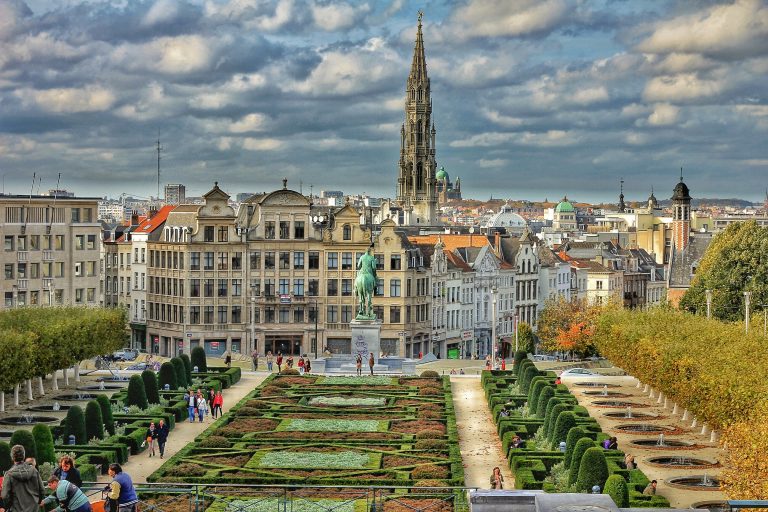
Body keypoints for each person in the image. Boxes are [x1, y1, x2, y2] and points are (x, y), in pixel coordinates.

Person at [1, 445, 45, 512]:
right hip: (34, 509)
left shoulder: (9, 474)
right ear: (24, 456)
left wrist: (9, 506)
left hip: (16, 509)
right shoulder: (34, 471)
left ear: (12, 457)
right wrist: (37, 502)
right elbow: (42, 490)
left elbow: (5, 496)